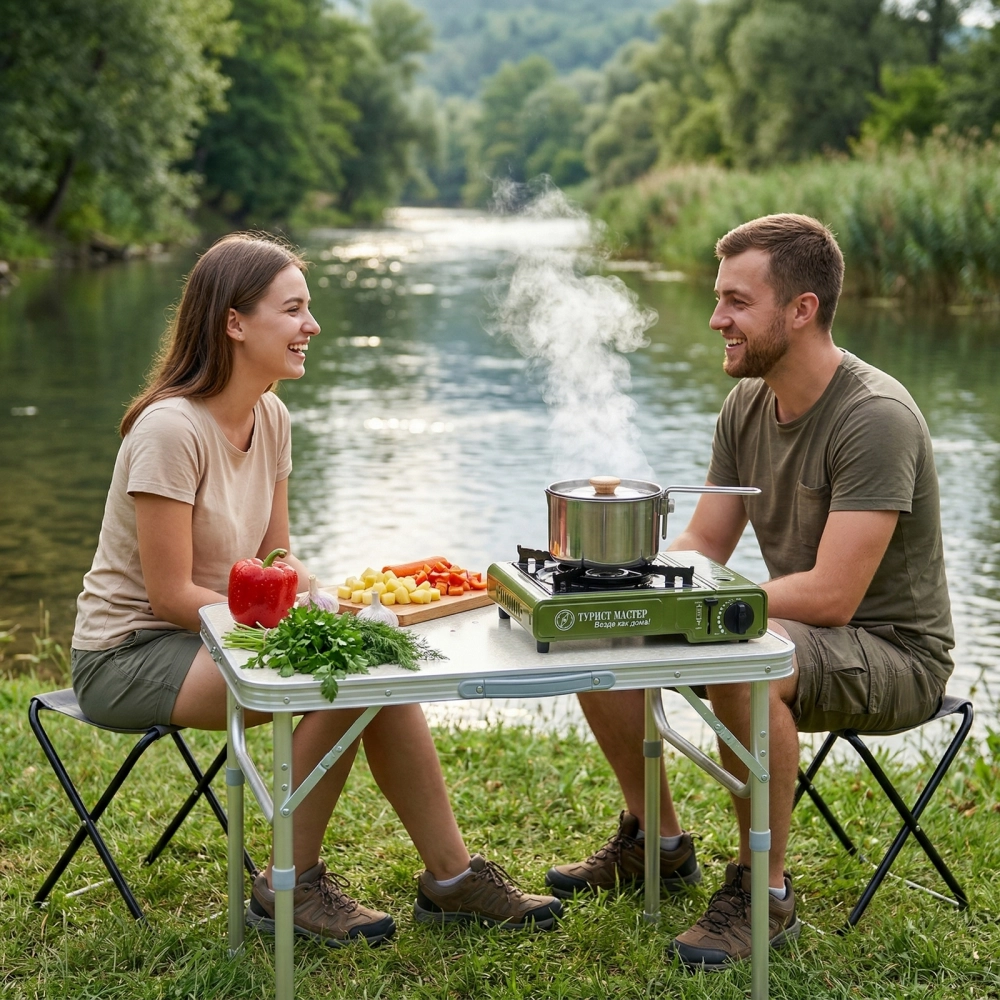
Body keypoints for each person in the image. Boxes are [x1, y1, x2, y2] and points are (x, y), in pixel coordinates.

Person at [71, 232, 562, 946]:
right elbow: (171, 593)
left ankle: (451, 879)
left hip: (213, 638)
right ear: (234, 323)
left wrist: (334, 601)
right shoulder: (169, 431)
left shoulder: (271, 417)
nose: (313, 327)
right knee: (351, 669)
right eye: (294, 309)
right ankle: (287, 888)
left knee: (377, 654)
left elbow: (278, 558)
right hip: (132, 653)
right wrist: (304, 623)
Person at [545, 213, 954, 968]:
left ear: (800, 310)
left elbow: (833, 596)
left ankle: (763, 893)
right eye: (716, 298)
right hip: (788, 631)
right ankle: (658, 844)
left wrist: (699, 613)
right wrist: (625, 585)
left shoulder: (875, 418)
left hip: (894, 653)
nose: (715, 320)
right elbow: (705, 544)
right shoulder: (748, 403)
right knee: (597, 621)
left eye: (736, 301)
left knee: (741, 651)